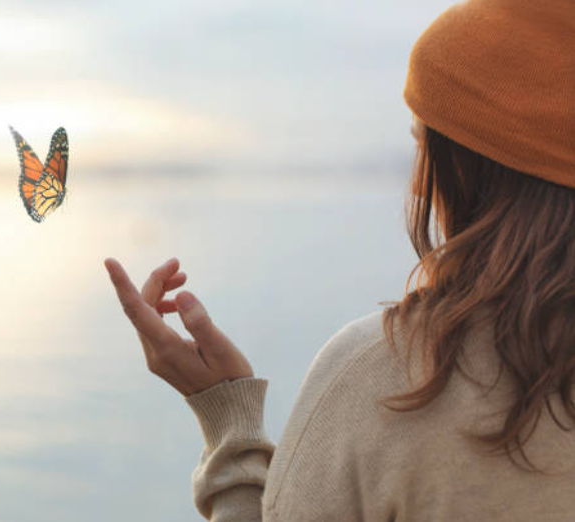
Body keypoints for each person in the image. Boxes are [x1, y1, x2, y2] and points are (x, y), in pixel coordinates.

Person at [104, 0, 575, 519]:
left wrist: (226, 416)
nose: (418, 183)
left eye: (425, 147)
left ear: (471, 169)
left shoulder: (388, 380)